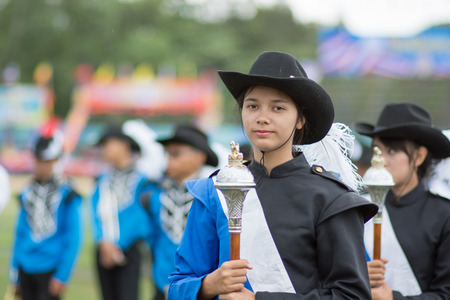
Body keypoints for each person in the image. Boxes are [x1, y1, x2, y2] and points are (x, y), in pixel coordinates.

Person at [168, 51, 378, 299]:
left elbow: (352, 295)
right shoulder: (214, 192)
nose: (262, 118)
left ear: (300, 119)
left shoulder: (331, 199)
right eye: (252, 106)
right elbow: (178, 287)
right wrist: (208, 285)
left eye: (278, 107)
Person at [353, 102, 450, 299]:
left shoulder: (444, 214)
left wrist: (393, 298)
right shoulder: (357, 208)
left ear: (419, 156)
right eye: (377, 151)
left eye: (392, 151)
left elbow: (445, 293)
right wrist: (357, 274)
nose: (381, 160)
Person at [141, 124, 219, 300]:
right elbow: (153, 239)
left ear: (199, 157)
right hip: (161, 282)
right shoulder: (155, 193)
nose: (169, 159)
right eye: (167, 153)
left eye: (176, 154)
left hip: (201, 286)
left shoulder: (212, 195)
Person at [9, 132, 83, 300]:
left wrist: (62, 275)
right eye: (38, 160)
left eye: (47, 161)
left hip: (51, 267)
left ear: (57, 161)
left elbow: (73, 238)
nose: (42, 166)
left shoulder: (68, 194)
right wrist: (15, 272)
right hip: (25, 266)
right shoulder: (27, 192)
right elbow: (19, 233)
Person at [90, 126, 151, 300]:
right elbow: (95, 213)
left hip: (130, 248)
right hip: (103, 248)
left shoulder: (143, 181)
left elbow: (141, 219)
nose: (104, 150)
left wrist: (119, 244)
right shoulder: (102, 179)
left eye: (107, 144)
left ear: (124, 145)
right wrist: (102, 242)